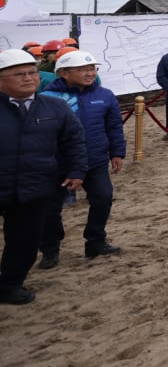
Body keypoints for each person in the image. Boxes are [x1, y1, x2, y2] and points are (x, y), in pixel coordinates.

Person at [0, 49, 87, 305]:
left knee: (25, 239)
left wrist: (76, 171)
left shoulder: (55, 106)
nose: (29, 78)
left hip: (36, 185)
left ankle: (10, 284)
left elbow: (74, 141)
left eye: (32, 72)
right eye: (19, 74)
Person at [38, 51, 126, 268]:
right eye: (84, 69)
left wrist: (117, 152)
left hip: (94, 160)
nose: (90, 73)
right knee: (50, 209)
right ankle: (50, 248)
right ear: (65, 73)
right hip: (57, 164)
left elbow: (114, 126)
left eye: (93, 69)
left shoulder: (105, 95)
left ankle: (95, 240)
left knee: (103, 199)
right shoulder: (47, 98)